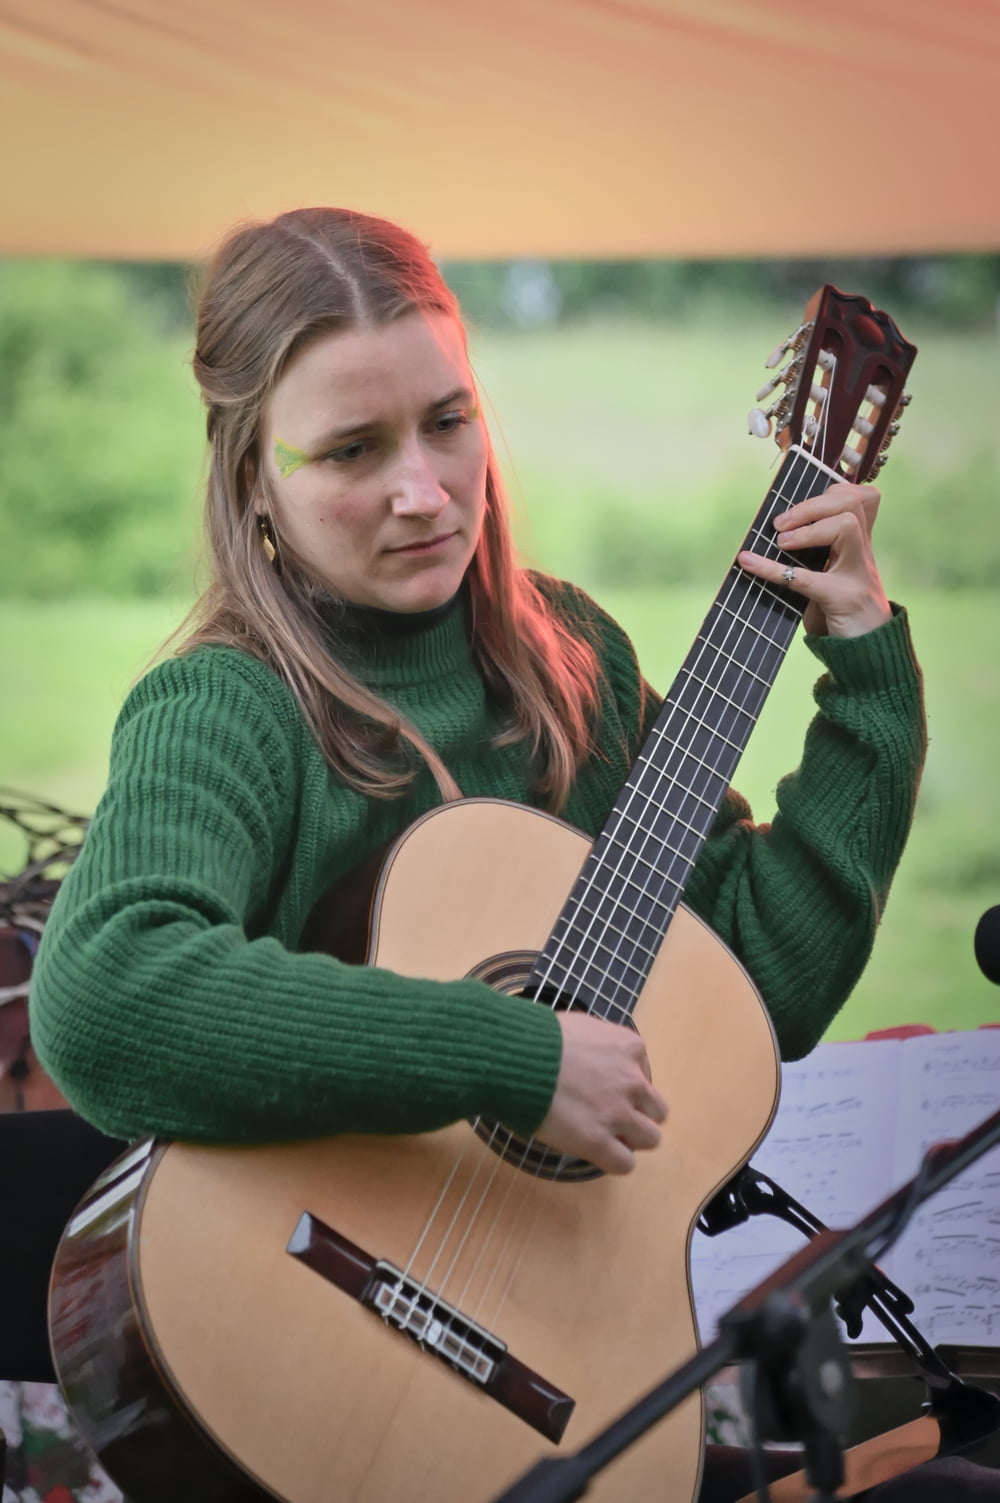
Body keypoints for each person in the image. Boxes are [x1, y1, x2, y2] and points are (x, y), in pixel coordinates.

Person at [28, 208, 997, 1502]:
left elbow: (750, 988)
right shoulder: (232, 706)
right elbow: (104, 996)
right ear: (254, 473)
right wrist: (514, 1054)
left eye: (449, 420)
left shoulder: (568, 662)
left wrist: (867, 660)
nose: (423, 491)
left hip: (564, 1372)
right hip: (310, 1321)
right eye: (352, 451)